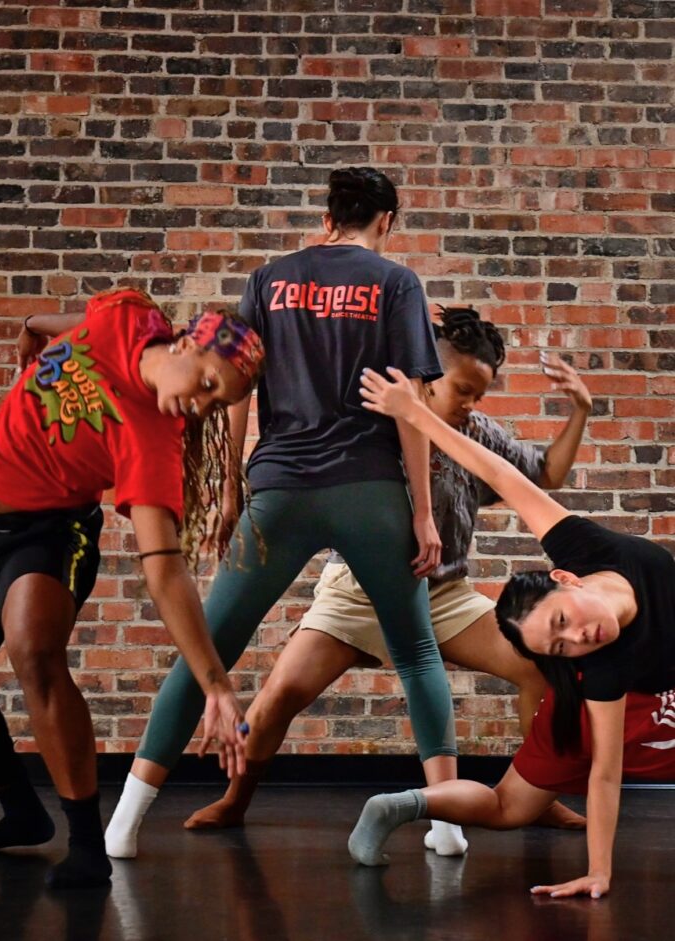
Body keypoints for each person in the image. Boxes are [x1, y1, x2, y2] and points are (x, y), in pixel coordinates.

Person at [105, 166, 456, 859]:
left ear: (330, 213)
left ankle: (124, 822)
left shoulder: (269, 279)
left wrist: (235, 483)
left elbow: (237, 386)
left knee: (209, 645)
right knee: (416, 652)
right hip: (371, 491)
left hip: (280, 489)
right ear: (384, 220)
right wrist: (423, 510)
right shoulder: (396, 284)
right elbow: (411, 405)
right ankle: (447, 823)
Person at [180, 307, 592, 853]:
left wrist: (580, 412)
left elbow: (547, 474)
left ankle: (535, 794)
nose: (470, 405)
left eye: (479, 396)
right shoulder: (374, 425)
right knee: (275, 698)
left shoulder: (477, 433)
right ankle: (235, 800)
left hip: (440, 596)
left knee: (543, 671)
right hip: (355, 594)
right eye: (463, 389)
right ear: (427, 376)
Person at [349, 363, 675, 898]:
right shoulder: (602, 667)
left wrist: (413, 412)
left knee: (510, 808)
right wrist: (600, 871)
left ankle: (410, 804)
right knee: (505, 809)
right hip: (593, 709)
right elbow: (605, 775)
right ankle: (403, 805)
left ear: (565, 579)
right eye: (560, 648)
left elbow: (501, 473)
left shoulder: (581, 545)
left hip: (645, 700)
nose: (580, 641)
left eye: (564, 623)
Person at [0, 287, 264, 888]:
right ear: (185, 343)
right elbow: (87, 319)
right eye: (210, 386)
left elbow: (163, 568)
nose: (203, 407)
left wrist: (215, 684)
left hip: (47, 533)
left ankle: (86, 843)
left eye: (220, 406)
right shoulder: (131, 315)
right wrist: (35, 323)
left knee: (33, 651)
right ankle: (19, 809)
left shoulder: (151, 437)